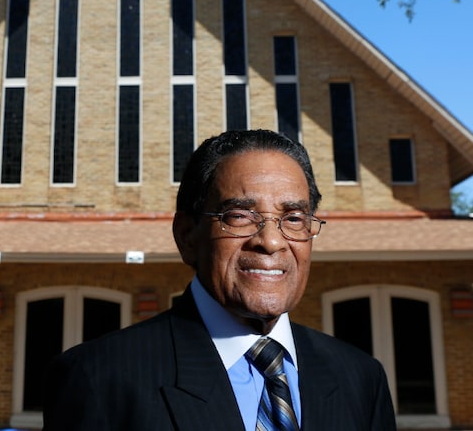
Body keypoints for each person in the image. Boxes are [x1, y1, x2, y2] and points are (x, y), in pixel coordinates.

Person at [42, 129, 396, 430]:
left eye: (293, 219)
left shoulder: (362, 378)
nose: (271, 241)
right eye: (239, 216)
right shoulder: (98, 379)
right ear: (187, 236)